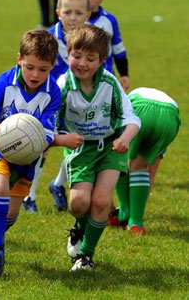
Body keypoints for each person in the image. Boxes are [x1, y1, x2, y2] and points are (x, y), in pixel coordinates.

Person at [0, 29, 61, 275]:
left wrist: (36, 143)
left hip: (28, 157)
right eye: (30, 67)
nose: (35, 74)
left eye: (43, 69)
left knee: (12, 211)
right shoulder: (5, 81)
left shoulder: (53, 93)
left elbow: (47, 131)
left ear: (53, 66)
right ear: (19, 58)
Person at [59, 24, 140, 271]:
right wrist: (61, 139)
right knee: (79, 204)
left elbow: (132, 119)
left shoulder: (109, 83)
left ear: (102, 61)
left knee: (102, 200)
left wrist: (125, 138)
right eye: (76, 56)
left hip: (110, 147)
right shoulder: (63, 85)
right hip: (80, 149)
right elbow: (51, 122)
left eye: (90, 58)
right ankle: (79, 226)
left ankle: (85, 256)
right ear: (68, 54)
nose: (82, 63)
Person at [23, 0, 90, 213]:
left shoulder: (92, 40)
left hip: (80, 103)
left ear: (88, 15)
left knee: (79, 140)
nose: (73, 17)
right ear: (58, 13)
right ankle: (28, 196)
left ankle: (58, 183)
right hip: (51, 101)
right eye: (68, 12)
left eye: (78, 13)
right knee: (42, 145)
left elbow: (102, 67)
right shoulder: (48, 39)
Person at [108, 87, 181, 234]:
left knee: (117, 158)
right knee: (141, 168)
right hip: (171, 116)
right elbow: (151, 174)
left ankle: (124, 209)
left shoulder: (129, 98)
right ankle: (136, 222)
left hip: (139, 106)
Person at [76, 0, 130, 91]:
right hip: (79, 77)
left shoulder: (109, 21)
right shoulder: (74, 21)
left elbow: (118, 49)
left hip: (105, 78)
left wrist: (123, 73)